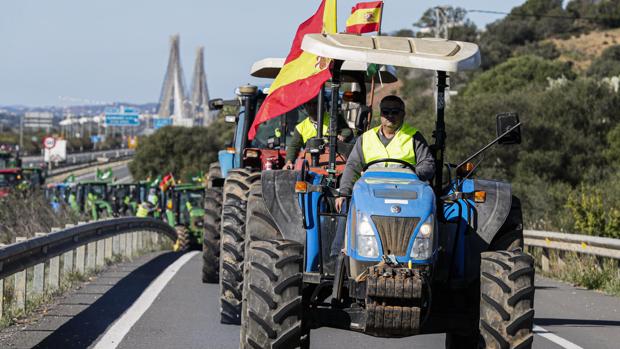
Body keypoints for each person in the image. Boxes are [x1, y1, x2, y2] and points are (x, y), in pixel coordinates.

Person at [335, 95, 436, 212]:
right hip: (370, 195)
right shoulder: (366, 138)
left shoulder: (414, 137)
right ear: (381, 114)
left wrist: (410, 174)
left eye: (395, 112)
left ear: (403, 114)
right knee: (344, 210)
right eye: (386, 112)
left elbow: (427, 164)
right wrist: (343, 193)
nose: (390, 116)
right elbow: (353, 166)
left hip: (407, 195)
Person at [284, 96, 352, 169]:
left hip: (334, 160)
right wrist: (289, 161)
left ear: (322, 104)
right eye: (309, 104)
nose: (312, 107)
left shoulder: (334, 119)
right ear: (305, 107)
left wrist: (343, 136)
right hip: (310, 163)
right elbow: (294, 147)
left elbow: (347, 131)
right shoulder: (300, 127)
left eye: (315, 104)